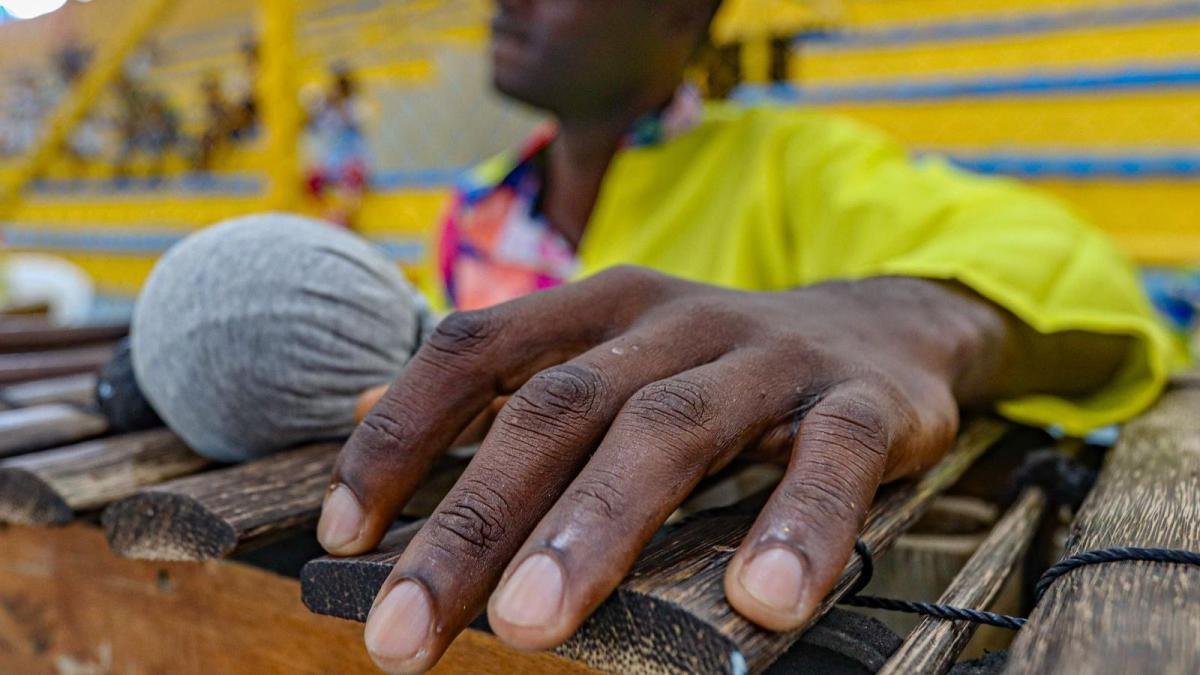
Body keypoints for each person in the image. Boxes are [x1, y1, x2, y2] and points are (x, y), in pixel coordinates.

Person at [309, 2, 1182, 673]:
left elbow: (1087, 279)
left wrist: (902, 317)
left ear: (683, 12)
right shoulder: (472, 212)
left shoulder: (789, 165)